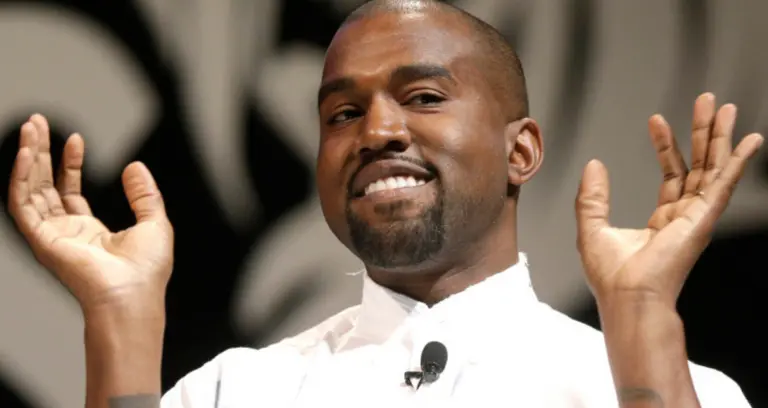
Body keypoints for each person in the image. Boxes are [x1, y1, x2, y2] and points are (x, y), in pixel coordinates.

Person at [6, 0, 762, 407]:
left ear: (521, 151)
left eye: (424, 97)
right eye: (342, 114)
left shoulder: (668, 384)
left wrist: (641, 314)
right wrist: (122, 320)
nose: (377, 132)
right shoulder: (233, 392)